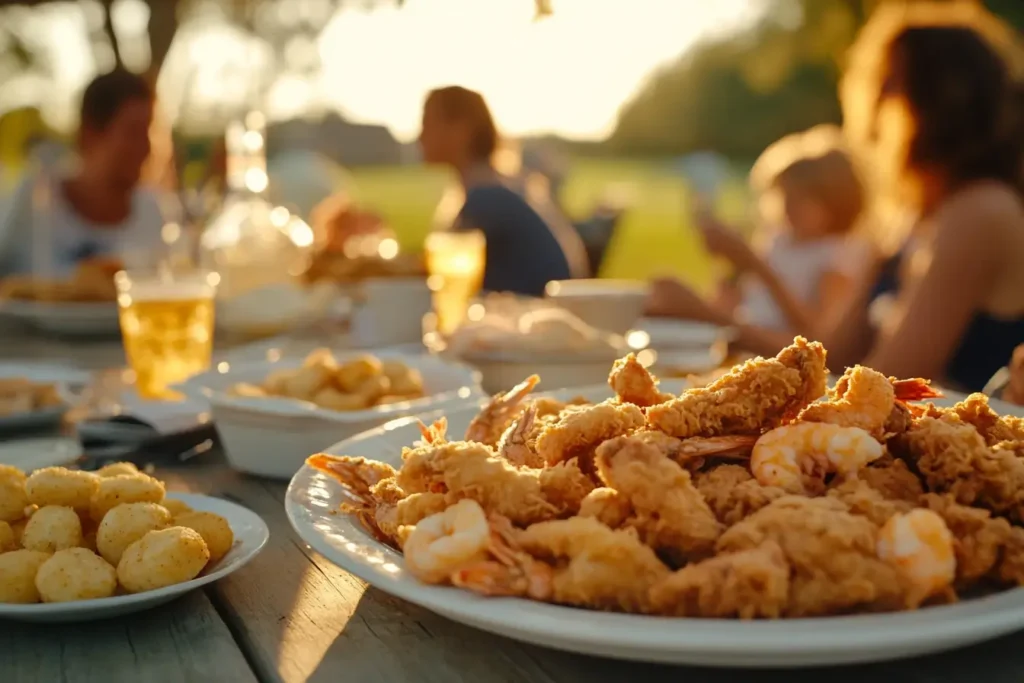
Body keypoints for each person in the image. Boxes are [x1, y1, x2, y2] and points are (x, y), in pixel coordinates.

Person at [648, 125, 870, 338]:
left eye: (802, 199)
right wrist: (733, 270)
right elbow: (731, 305)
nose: (789, 207)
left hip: (781, 355)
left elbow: (823, 332)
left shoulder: (839, 254)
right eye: (785, 196)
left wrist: (757, 266)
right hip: (747, 345)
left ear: (837, 201)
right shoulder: (779, 241)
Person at [419, 86, 588, 297]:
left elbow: (435, 272)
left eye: (428, 124)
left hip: (528, 319)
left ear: (462, 130)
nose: (420, 136)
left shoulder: (485, 200)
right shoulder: (503, 187)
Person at [0, 70, 164, 277]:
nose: (146, 147)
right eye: (133, 132)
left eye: (149, 132)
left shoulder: (151, 210)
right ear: (90, 134)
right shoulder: (33, 198)